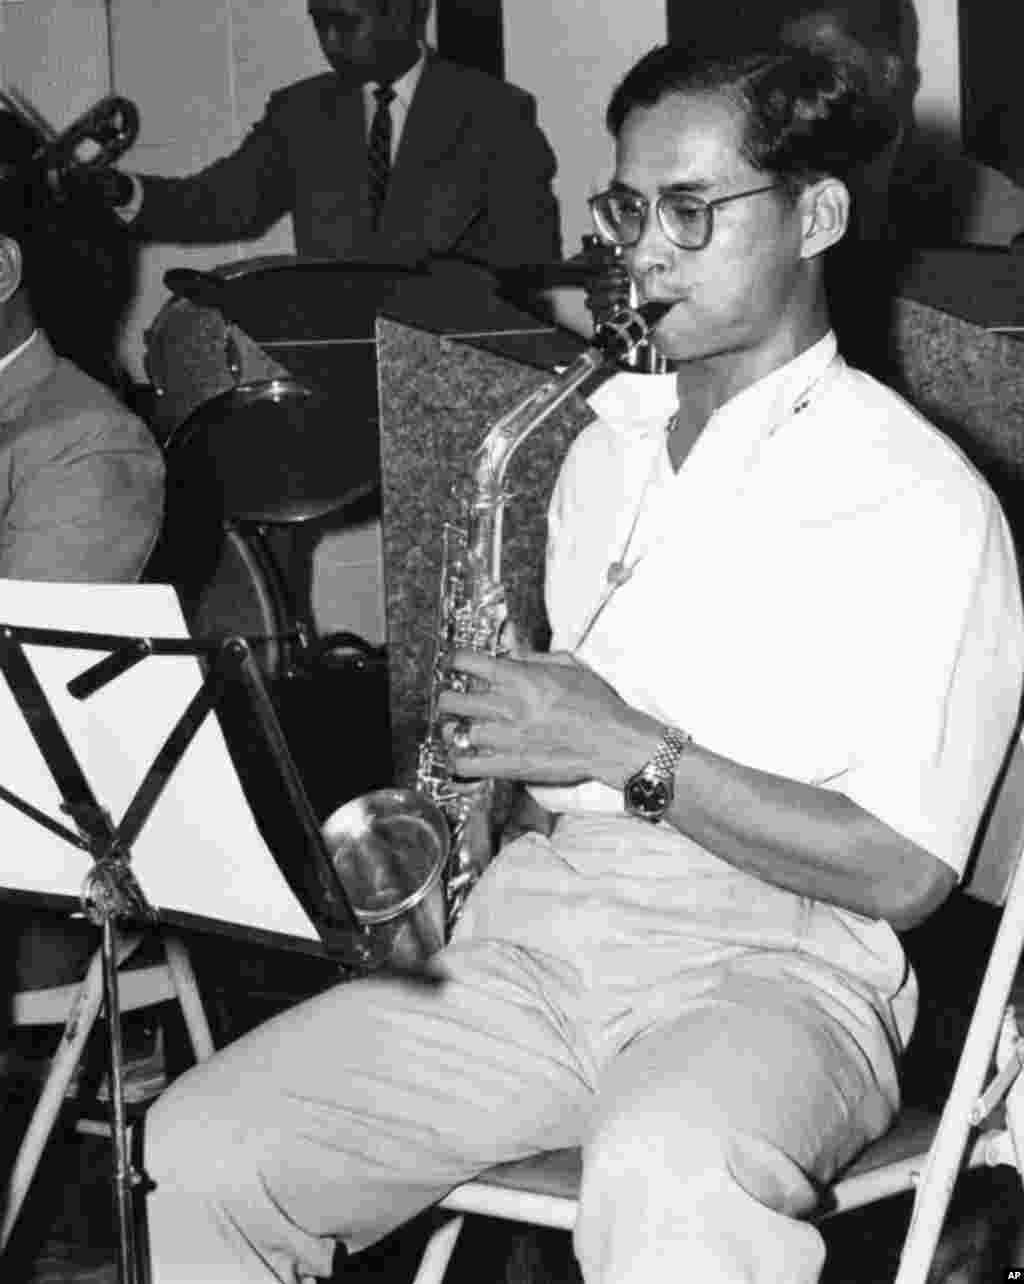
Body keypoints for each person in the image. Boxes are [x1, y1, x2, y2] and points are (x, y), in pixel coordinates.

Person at [142, 43, 1024, 1284]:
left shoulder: (918, 497)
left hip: (784, 966)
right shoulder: (598, 448)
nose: (644, 252)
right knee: (194, 1154)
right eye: (626, 208)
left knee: (666, 1180)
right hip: (536, 942)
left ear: (815, 214)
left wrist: (618, 747)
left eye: (690, 210)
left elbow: (902, 872)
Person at [96, 0, 561, 272]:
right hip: (336, 374)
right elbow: (222, 202)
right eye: (320, 23)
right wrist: (125, 193)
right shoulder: (299, 114)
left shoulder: (496, 115)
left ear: (405, 12)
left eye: (346, 23)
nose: (331, 42)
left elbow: (527, 266)